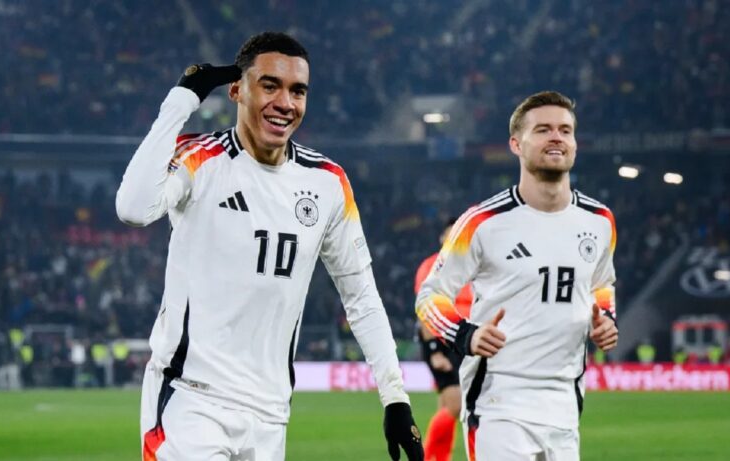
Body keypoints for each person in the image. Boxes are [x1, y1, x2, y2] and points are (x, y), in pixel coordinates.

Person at [116, 32, 423, 461]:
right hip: (190, 400)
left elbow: (362, 297)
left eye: (297, 91)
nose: (285, 103)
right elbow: (133, 208)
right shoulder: (201, 158)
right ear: (236, 90)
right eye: (270, 85)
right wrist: (182, 99)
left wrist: (395, 397)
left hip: (270, 414)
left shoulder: (327, 182)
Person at [415, 91, 619, 461]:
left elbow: (602, 284)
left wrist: (605, 318)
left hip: (565, 399)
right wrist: (466, 335)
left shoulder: (599, 220)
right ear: (515, 144)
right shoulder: (482, 222)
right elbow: (430, 297)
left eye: (565, 130)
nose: (556, 137)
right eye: (543, 130)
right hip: (499, 399)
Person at [415, 219, 470, 461]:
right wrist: (434, 349)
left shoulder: (470, 267)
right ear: (442, 239)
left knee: (448, 405)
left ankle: (439, 457)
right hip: (440, 341)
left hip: (463, 341)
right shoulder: (431, 266)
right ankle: (426, 455)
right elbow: (425, 310)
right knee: (456, 405)